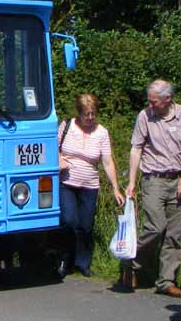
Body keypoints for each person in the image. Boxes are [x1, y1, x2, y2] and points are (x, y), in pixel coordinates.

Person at [122, 79, 181, 297]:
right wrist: (131, 182)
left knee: (174, 234)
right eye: (149, 101)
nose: (150, 105)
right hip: (153, 179)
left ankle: (166, 281)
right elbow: (136, 149)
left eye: (154, 102)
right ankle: (131, 262)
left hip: (179, 179)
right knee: (155, 227)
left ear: (167, 99)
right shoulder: (145, 116)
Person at [57, 94, 125, 278]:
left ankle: (83, 262)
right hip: (67, 182)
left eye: (93, 114)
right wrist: (59, 159)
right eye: (87, 114)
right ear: (79, 113)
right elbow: (53, 148)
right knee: (69, 220)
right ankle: (65, 259)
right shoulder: (66, 126)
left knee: (86, 226)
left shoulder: (101, 132)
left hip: (90, 184)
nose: (90, 118)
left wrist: (115, 187)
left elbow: (108, 161)